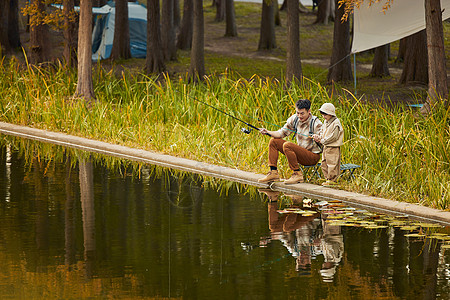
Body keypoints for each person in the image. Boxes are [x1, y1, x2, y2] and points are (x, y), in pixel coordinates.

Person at [258, 99, 323, 184]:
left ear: (309, 111)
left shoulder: (316, 123)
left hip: (312, 156)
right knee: (273, 141)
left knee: (287, 145)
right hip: (300, 153)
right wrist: (267, 132)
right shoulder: (294, 119)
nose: (299, 116)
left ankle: (297, 174)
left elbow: (324, 141)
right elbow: (280, 133)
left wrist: (319, 139)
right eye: (297, 113)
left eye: (302, 113)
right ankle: (273, 173)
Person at [312, 103, 344, 186]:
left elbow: (334, 136)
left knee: (332, 163)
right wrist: (318, 137)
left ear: (331, 114)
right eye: (322, 114)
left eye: (325, 114)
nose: (323, 116)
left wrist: (323, 140)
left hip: (333, 147)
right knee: (324, 163)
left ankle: (332, 180)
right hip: (326, 146)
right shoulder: (326, 122)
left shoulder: (336, 123)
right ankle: (327, 178)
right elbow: (323, 132)